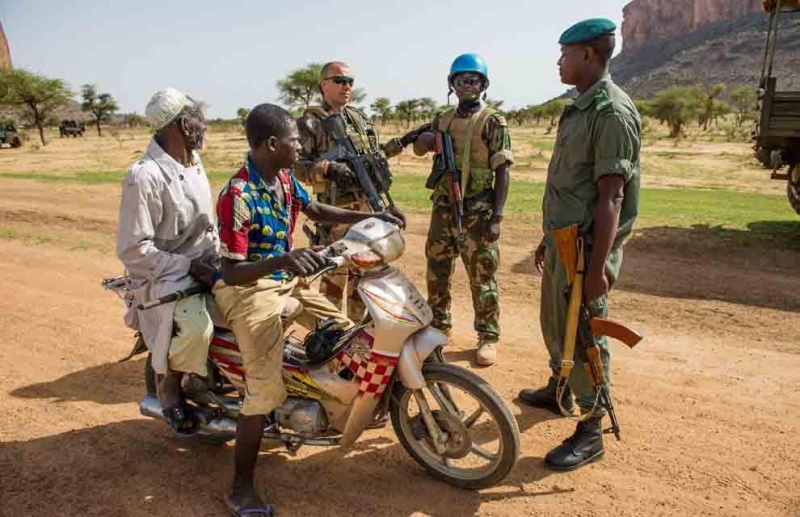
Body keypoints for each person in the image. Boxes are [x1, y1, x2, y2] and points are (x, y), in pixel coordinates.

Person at [213, 103, 403, 516]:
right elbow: (231, 272)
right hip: (250, 291)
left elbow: (314, 209)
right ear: (271, 143)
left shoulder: (282, 178)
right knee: (261, 390)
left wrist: (372, 216)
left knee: (346, 331)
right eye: (295, 140)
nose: (301, 146)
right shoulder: (237, 195)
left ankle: (318, 400)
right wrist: (283, 261)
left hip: (287, 280)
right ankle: (240, 488)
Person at [517, 18, 641, 471]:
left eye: (564, 54)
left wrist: (597, 269)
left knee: (587, 332)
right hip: (564, 241)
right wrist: (548, 239)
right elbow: (574, 188)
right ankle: (561, 387)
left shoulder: (610, 112)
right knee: (556, 321)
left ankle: (591, 430)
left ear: (588, 55)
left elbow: (611, 197)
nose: (558, 62)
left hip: (588, 248)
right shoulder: (581, 107)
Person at [116, 87, 219, 435]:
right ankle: (169, 386)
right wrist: (190, 267)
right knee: (197, 327)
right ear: (178, 126)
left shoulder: (194, 163)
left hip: (205, 262)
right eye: (197, 118)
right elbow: (134, 250)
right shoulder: (144, 175)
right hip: (165, 275)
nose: (203, 124)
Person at [412, 53, 512, 366]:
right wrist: (425, 141)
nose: (468, 85)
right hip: (444, 206)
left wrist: (496, 218)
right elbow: (418, 146)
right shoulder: (442, 119)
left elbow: (503, 171)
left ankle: (487, 336)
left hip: (478, 207)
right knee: (437, 269)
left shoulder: (493, 121)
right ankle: (438, 328)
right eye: (461, 79)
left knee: (482, 273)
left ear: (483, 84)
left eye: (474, 80)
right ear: (452, 85)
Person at [295, 61, 408, 322]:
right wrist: (327, 168)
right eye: (340, 81)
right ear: (324, 85)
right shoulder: (311, 122)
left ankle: (356, 338)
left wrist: (385, 206)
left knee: (365, 275)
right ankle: (329, 340)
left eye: (350, 82)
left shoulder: (359, 119)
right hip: (335, 213)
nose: (347, 86)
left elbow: (373, 160)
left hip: (368, 210)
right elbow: (296, 167)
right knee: (333, 280)